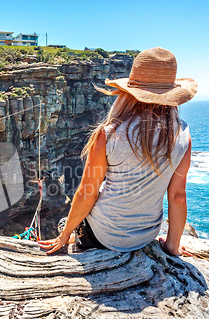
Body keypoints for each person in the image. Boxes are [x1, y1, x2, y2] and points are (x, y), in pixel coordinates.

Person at [38, 47, 197, 256]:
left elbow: (88, 193)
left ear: (128, 93)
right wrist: (172, 246)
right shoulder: (182, 135)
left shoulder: (110, 134)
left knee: (66, 220)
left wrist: (65, 235)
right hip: (145, 236)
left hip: (103, 237)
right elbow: (177, 196)